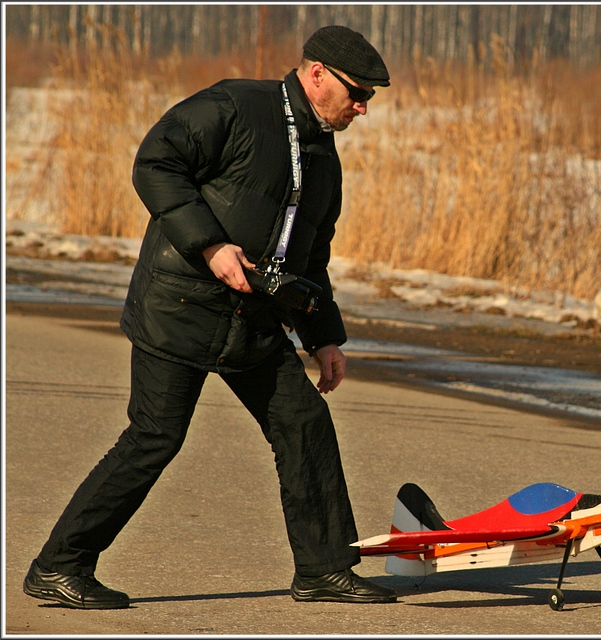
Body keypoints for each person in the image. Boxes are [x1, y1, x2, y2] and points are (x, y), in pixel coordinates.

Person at [23, 25, 397, 608]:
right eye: (358, 92)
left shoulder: (323, 158)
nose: (363, 107)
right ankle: (59, 566)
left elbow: (312, 257)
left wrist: (324, 337)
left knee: (304, 423)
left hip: (253, 322)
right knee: (155, 437)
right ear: (318, 74)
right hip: (179, 308)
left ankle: (324, 570)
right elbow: (155, 163)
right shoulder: (235, 105)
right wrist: (210, 245)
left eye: (370, 97)